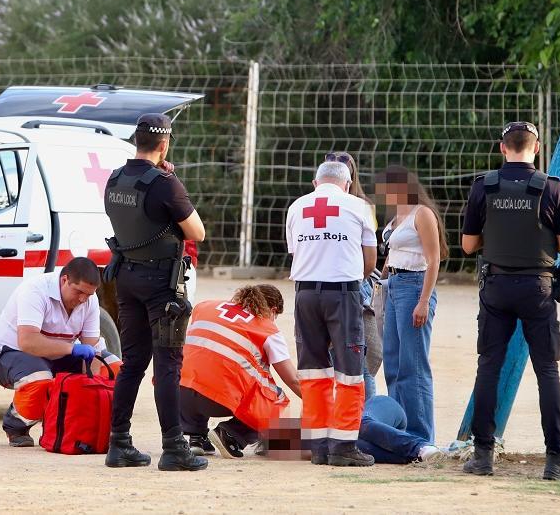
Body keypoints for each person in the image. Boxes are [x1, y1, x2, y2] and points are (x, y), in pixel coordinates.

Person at [460, 121, 560, 481]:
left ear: (502, 148)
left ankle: (482, 456)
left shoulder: (484, 186)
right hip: (538, 289)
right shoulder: (552, 189)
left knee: (489, 368)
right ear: (537, 148)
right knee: (547, 371)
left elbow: (467, 245)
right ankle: (555, 460)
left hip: (496, 287)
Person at [103, 112, 207, 471]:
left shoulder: (114, 179)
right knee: (167, 365)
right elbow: (197, 232)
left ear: (136, 140)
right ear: (164, 145)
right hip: (162, 285)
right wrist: (173, 179)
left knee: (132, 363)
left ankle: (119, 443)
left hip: (126, 279)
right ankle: (174, 448)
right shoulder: (165, 183)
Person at [285, 160, 377, 467]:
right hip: (343, 294)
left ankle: (318, 445)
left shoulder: (297, 207)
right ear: (348, 184)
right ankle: (344, 445)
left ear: (315, 182)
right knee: (350, 371)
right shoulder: (360, 207)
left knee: (313, 370)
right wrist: (354, 283)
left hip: (305, 294)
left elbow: (295, 251)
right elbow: (370, 257)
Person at [0, 257, 120, 446]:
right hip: (10, 354)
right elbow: (27, 342)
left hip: (58, 355)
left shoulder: (89, 300)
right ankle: (16, 424)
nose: (83, 299)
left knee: (115, 370)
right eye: (79, 291)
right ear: (64, 280)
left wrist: (91, 385)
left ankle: (90, 426)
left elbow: (93, 348)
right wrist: (72, 348)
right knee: (39, 378)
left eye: (88, 295)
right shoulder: (34, 291)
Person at [179, 283, 301, 458]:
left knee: (199, 363)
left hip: (178, 392)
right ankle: (232, 434)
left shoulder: (205, 307)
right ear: (273, 310)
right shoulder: (268, 328)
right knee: (276, 398)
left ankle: (195, 436)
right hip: (217, 398)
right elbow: (292, 379)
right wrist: (317, 404)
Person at [373, 165, 447, 444]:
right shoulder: (397, 217)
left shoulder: (421, 213)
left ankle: (421, 436)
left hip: (414, 286)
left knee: (413, 365)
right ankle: (400, 430)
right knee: (392, 361)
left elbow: (433, 259)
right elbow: (392, 255)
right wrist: (379, 282)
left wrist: (424, 300)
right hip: (393, 286)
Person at [328, 150, 384, 400]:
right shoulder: (317, 204)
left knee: (366, 357)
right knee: (344, 356)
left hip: (356, 282)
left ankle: (365, 417)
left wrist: (356, 281)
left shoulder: (363, 205)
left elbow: (368, 254)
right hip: (335, 282)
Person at [358, 395, 446, 465]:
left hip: (380, 409)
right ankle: (417, 457)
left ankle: (419, 446)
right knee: (351, 448)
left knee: (359, 423)